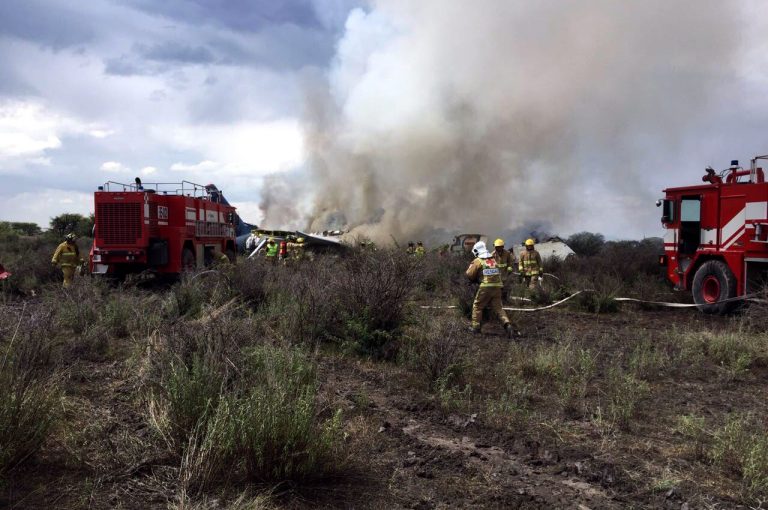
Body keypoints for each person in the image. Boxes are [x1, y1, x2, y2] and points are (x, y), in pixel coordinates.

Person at [465, 241, 513, 337]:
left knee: (478, 306)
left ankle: (475, 328)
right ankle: (507, 324)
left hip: (486, 287)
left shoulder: (478, 261)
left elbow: (469, 274)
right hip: (497, 287)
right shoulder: (493, 260)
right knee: (499, 308)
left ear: (476, 251)